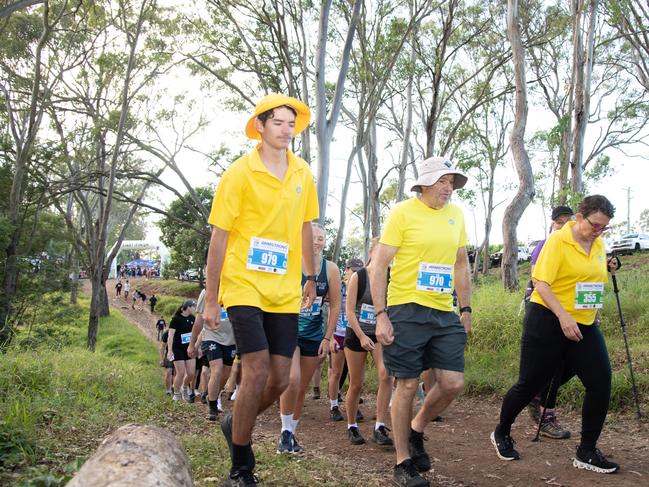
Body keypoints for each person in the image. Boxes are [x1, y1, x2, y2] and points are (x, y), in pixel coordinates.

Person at [202, 94, 318, 487]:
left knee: (281, 379)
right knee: (256, 370)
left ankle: (238, 421)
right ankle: (240, 466)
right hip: (244, 284)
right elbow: (219, 238)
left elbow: (306, 226)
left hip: (284, 289)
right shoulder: (239, 173)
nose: (287, 130)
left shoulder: (302, 172)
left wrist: (311, 275)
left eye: (291, 124)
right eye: (279, 123)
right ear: (260, 126)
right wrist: (212, 297)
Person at [491, 195, 620, 474]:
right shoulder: (558, 241)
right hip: (547, 318)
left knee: (601, 382)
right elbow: (541, 282)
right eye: (595, 225)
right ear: (579, 217)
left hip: (583, 324)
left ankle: (587, 451)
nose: (598, 231)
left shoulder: (598, 243)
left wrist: (605, 276)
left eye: (604, 227)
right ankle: (502, 431)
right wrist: (563, 316)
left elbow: (591, 280)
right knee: (529, 384)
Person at [370, 157, 472, 487]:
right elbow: (379, 265)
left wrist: (466, 308)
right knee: (408, 384)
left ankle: (416, 428)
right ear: (425, 183)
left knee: (453, 382)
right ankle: (403, 462)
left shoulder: (456, 215)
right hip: (406, 308)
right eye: (443, 181)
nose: (448, 188)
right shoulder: (402, 213)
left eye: (452, 182)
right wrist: (381, 314)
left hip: (443, 310)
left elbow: (460, 264)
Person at [276, 222, 341, 454]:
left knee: (301, 387)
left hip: (314, 334)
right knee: (291, 380)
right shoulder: (291, 262)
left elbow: (335, 306)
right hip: (289, 329)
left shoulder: (331, 269)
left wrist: (327, 337)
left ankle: (292, 433)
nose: (316, 241)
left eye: (320, 238)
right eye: (312, 237)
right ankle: (284, 432)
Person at [524, 205, 574, 440]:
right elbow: (538, 281)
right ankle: (547, 416)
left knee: (573, 363)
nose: (563, 225)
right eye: (559, 222)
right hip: (547, 312)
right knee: (554, 364)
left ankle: (535, 391)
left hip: (577, 313)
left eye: (568, 221)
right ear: (552, 224)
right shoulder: (545, 245)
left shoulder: (581, 245)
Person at [344, 244, 394, 446]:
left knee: (386, 374)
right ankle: (351, 426)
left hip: (379, 334)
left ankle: (379, 426)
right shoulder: (360, 277)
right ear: (371, 252)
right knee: (356, 383)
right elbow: (349, 312)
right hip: (357, 333)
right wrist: (362, 336)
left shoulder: (393, 277)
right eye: (381, 250)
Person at [189, 288, 237, 421]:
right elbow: (198, 321)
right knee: (217, 370)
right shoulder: (207, 292)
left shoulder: (236, 287)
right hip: (212, 336)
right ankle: (212, 406)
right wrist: (192, 344)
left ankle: (212, 395)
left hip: (231, 339)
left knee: (226, 374)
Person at [167, 300, 197, 402]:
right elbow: (170, 336)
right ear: (188, 307)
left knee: (191, 373)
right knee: (181, 372)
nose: (194, 308)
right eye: (193, 306)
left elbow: (197, 333)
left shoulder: (193, 318)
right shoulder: (176, 319)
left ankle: (184, 388)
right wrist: (170, 351)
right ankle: (176, 394)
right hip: (177, 348)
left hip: (189, 348)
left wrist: (198, 347)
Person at [159, 324, 174, 395]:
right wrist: (161, 359)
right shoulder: (167, 333)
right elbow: (162, 347)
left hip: (180, 355)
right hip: (169, 355)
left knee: (176, 373)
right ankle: (168, 390)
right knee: (169, 371)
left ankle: (173, 386)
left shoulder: (182, 331)